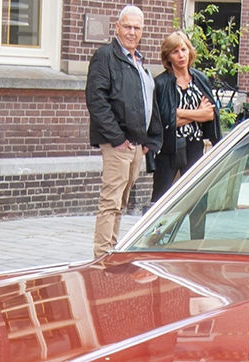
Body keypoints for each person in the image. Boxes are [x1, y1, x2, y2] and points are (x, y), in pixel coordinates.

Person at [85, 4, 161, 256]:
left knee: (122, 201)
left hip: (136, 144)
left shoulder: (139, 62)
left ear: (142, 31)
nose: (131, 32)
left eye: (136, 28)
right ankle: (102, 255)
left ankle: (111, 249)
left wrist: (148, 139)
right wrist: (117, 138)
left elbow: (147, 101)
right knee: (111, 201)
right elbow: (97, 100)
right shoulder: (106, 56)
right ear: (117, 27)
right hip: (119, 143)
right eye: (127, 26)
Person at [151, 31, 218, 202]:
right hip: (169, 148)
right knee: (161, 198)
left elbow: (210, 114)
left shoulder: (200, 79)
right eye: (175, 52)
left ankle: (197, 230)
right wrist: (198, 114)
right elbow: (166, 120)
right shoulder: (161, 83)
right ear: (168, 57)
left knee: (198, 198)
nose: (181, 55)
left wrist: (180, 113)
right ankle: (159, 230)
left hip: (195, 145)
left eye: (184, 49)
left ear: (190, 51)